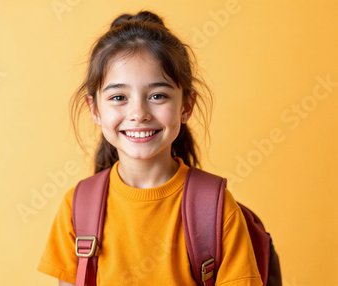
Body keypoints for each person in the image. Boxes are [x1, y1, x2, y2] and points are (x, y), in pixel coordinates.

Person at [38, 10, 262, 285]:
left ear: (186, 106)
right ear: (94, 109)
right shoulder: (76, 207)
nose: (138, 113)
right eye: (119, 97)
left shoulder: (216, 209)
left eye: (157, 95)